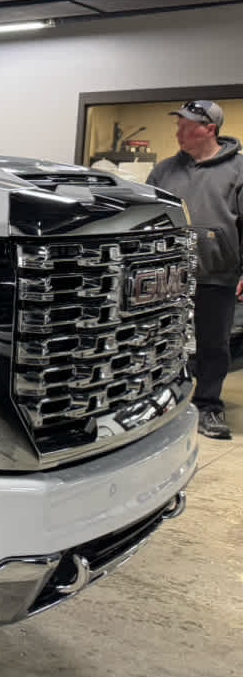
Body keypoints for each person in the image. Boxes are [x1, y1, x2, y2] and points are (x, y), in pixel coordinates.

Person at [146, 99, 243, 440]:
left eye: (186, 126)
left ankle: (208, 406)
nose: (178, 132)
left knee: (214, 345)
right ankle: (157, 404)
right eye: (178, 125)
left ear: (209, 129)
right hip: (167, 278)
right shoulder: (163, 172)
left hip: (218, 273)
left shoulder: (238, 171)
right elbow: (147, 220)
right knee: (159, 342)